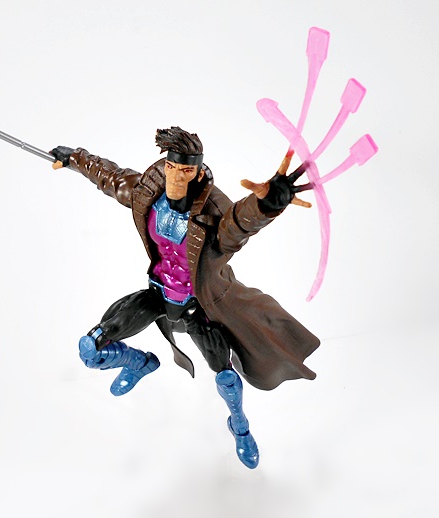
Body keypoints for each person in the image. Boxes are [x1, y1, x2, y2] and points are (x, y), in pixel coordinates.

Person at [50, 126, 320, 468]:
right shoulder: (149, 191)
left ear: (198, 172)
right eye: (172, 167)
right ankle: (139, 363)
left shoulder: (213, 209)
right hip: (156, 294)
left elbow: (237, 225)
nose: (177, 178)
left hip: (196, 307)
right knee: (91, 347)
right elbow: (111, 178)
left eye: (186, 171)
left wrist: (265, 205)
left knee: (225, 376)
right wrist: (75, 158)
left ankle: (239, 426)